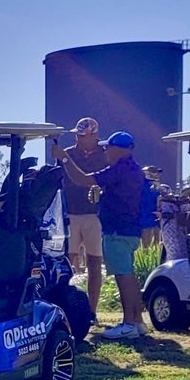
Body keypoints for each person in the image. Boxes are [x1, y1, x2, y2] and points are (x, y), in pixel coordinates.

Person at [52, 130, 146, 340]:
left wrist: (65, 158)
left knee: (124, 277)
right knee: (129, 275)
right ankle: (137, 321)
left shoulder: (119, 169)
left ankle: (128, 324)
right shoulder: (134, 169)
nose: (105, 151)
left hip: (117, 230)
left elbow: (82, 179)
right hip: (129, 229)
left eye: (108, 147)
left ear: (117, 149)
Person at [56, 117, 111, 322]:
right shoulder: (68, 153)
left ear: (94, 136)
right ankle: (66, 308)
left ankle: (92, 311)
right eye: (77, 136)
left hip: (95, 215)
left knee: (94, 262)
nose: (79, 139)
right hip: (70, 213)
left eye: (83, 136)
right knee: (67, 262)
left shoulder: (105, 155)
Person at [139, 165, 164, 248]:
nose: (157, 175)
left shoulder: (156, 186)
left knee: (157, 244)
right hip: (145, 219)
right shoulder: (144, 186)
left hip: (155, 219)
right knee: (146, 245)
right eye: (154, 172)